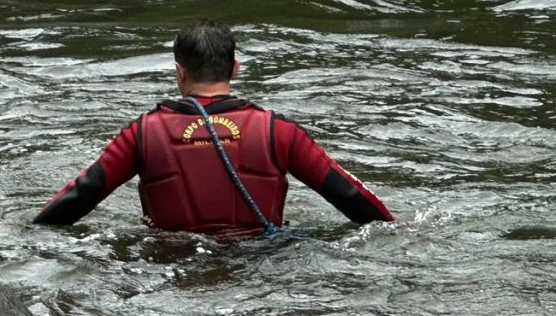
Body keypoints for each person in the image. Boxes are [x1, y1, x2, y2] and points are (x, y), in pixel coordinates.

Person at [33, 21, 393, 239]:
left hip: (169, 268)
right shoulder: (278, 131)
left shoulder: (144, 133)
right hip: (264, 267)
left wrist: (29, 230)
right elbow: (349, 195)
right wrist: (395, 228)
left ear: (179, 71)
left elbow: (82, 194)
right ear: (235, 68)